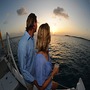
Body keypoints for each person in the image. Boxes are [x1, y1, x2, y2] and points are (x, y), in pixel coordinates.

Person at [34, 23, 59, 90]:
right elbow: (41, 88)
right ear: (48, 37)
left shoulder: (46, 51)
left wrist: (53, 69)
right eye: (49, 34)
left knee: (57, 85)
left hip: (48, 81)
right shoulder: (40, 59)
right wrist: (53, 74)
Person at [18, 13, 39, 90]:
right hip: (30, 81)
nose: (37, 25)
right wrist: (34, 81)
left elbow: (31, 54)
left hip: (34, 75)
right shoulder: (23, 44)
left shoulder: (32, 38)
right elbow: (23, 70)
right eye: (37, 22)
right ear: (33, 24)